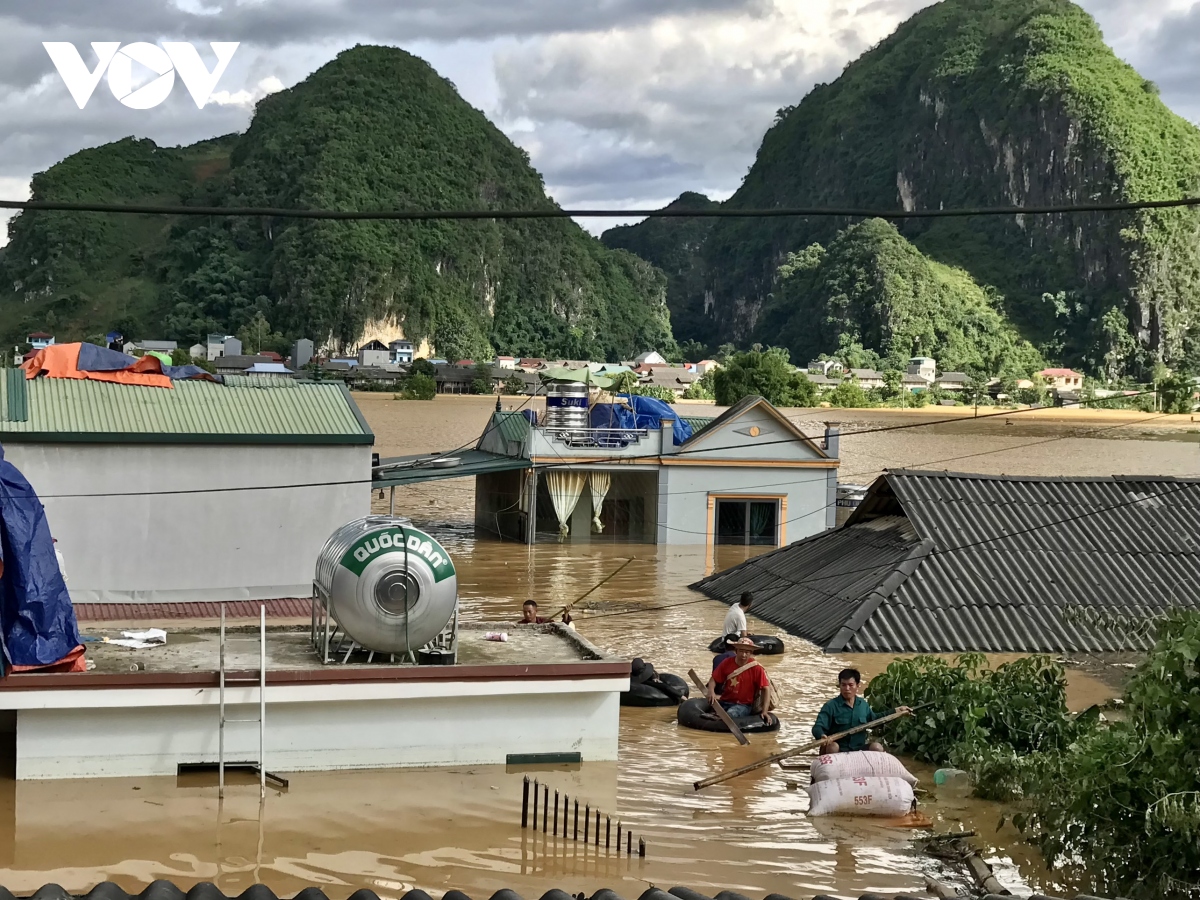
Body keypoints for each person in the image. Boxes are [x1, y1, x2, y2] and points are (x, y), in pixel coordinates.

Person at [812, 668, 910, 753]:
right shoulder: (830, 706)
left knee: (877, 747)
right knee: (833, 747)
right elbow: (818, 727)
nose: (847, 689)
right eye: (843, 685)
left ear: (858, 686)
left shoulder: (863, 704)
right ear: (840, 686)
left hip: (858, 748)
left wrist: (897, 711)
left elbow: (875, 720)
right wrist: (822, 736)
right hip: (838, 749)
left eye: (850, 685)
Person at [705, 636, 773, 723]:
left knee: (731, 714)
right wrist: (711, 691)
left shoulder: (756, 668)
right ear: (736, 651)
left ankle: (718, 718)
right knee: (712, 710)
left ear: (751, 653)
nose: (744, 655)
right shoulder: (727, 662)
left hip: (743, 705)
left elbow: (766, 689)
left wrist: (764, 711)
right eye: (741, 651)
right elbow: (713, 679)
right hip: (725, 701)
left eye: (747, 652)